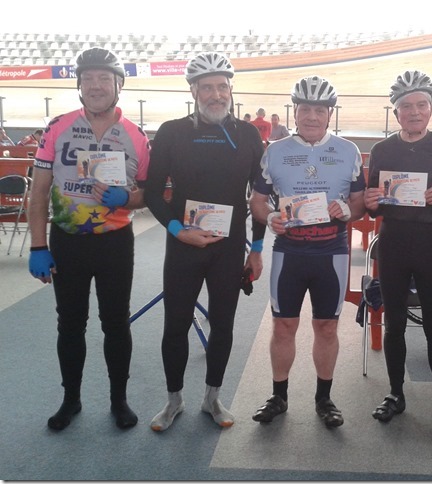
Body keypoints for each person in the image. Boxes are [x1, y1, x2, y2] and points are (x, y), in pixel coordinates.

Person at [27, 47, 150, 431]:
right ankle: (71, 400)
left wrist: (127, 198)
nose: (96, 86)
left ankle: (119, 400)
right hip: (68, 241)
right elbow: (40, 191)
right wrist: (37, 246)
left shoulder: (137, 137)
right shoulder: (57, 127)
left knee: (116, 323)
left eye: (104, 79)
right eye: (88, 79)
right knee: (70, 324)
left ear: (118, 86)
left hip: (115, 242)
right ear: (79, 86)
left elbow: (147, 194)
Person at [144, 52, 266, 432]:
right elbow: (150, 192)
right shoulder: (172, 131)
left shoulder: (247, 135)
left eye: (222, 87)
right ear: (194, 90)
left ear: (231, 90)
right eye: (207, 87)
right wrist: (178, 229)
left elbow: (260, 196)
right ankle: (173, 400)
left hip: (228, 248)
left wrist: (257, 248)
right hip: (183, 243)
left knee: (224, 324)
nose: (216, 94)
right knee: (175, 325)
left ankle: (212, 397)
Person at [249, 75, 366, 428]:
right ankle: (279, 396)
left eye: (319, 109)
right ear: (294, 112)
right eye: (305, 109)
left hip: (331, 252)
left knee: (327, 327)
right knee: (283, 325)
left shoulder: (349, 151)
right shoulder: (275, 151)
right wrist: (269, 216)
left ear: (330, 114)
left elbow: (360, 204)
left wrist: (348, 211)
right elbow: (256, 201)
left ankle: (324, 398)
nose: (312, 116)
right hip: (290, 252)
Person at [363, 70, 432, 439]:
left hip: (430, 244)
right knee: (394, 325)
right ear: (395, 113)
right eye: (405, 106)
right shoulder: (382, 150)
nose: (413, 112)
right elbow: (373, 204)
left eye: (421, 105)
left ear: (431, 109)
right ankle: (396, 393)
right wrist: (371, 202)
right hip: (392, 243)